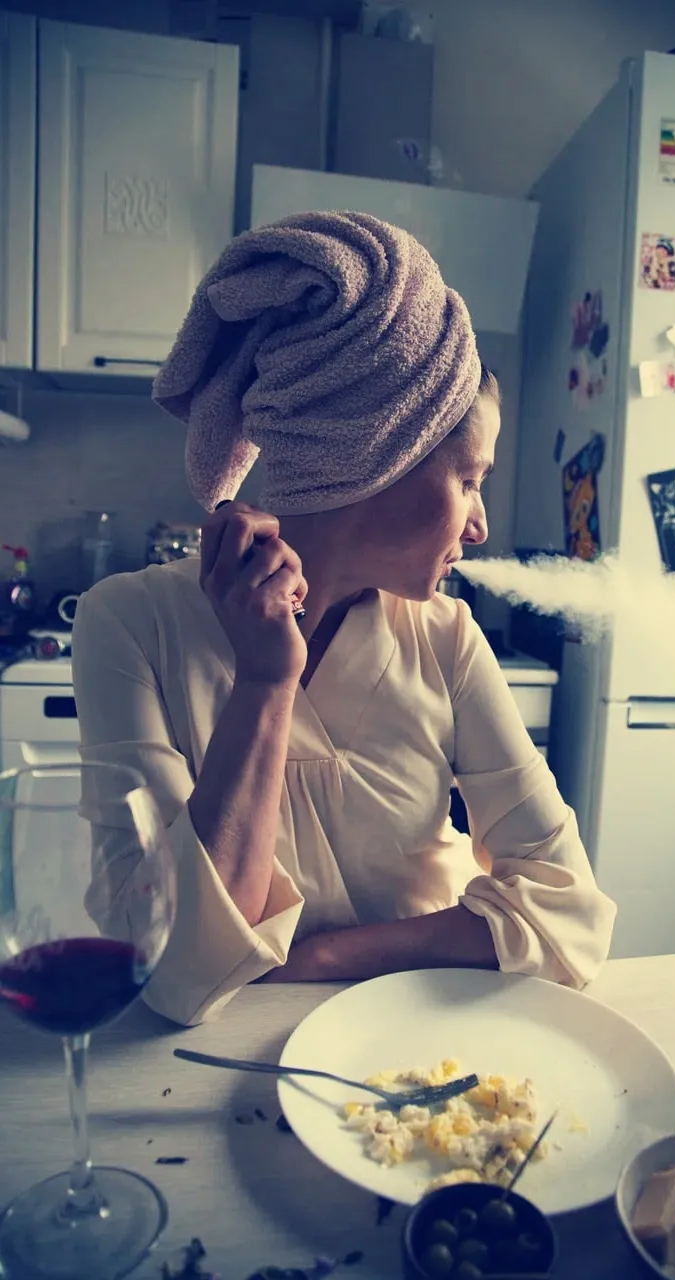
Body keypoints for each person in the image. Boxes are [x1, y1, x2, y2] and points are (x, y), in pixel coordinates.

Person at [72, 211, 616, 1027]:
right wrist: (266, 678)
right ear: (378, 458)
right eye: (470, 480)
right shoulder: (129, 626)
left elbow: (570, 912)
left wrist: (321, 959)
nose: (481, 528)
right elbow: (175, 970)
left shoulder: (449, 640)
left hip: (421, 1056)